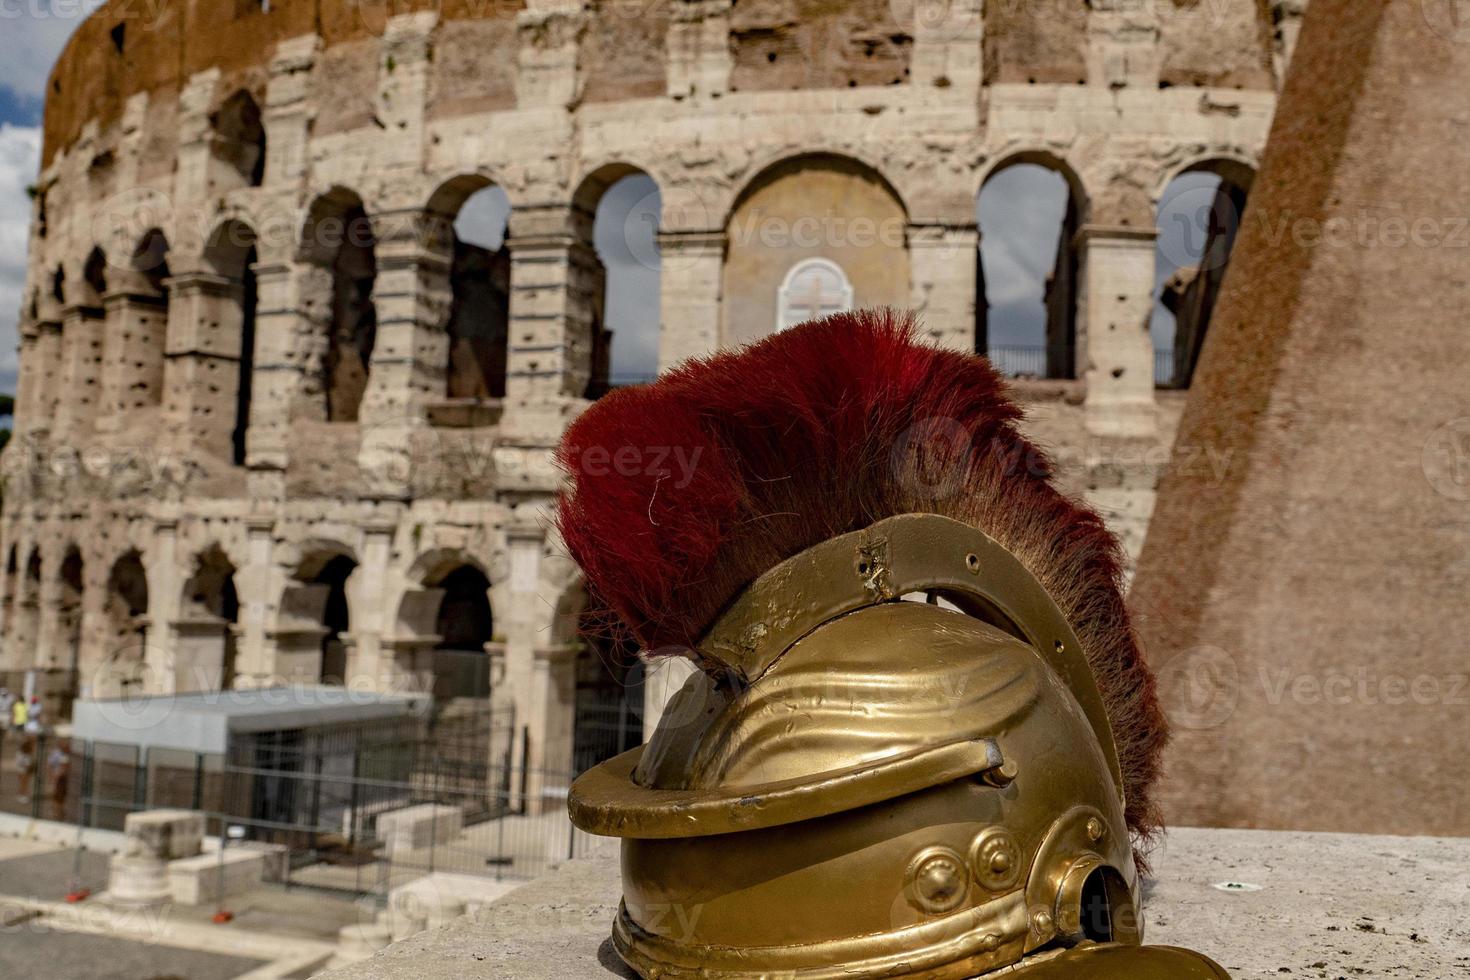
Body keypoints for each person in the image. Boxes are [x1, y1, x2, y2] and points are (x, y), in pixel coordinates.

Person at [47, 741, 70, 820]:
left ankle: (58, 811)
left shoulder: (65, 755)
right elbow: (61, 768)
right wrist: (53, 777)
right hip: (59, 779)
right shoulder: (60, 755)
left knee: (60, 796)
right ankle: (56, 811)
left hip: (61, 779)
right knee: (57, 796)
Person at [14, 735, 35, 805]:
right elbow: (20, 763)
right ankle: (22, 795)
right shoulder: (20, 754)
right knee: (23, 784)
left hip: (24, 770)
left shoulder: (27, 754)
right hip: (22, 770)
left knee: (24, 783)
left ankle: (23, 794)